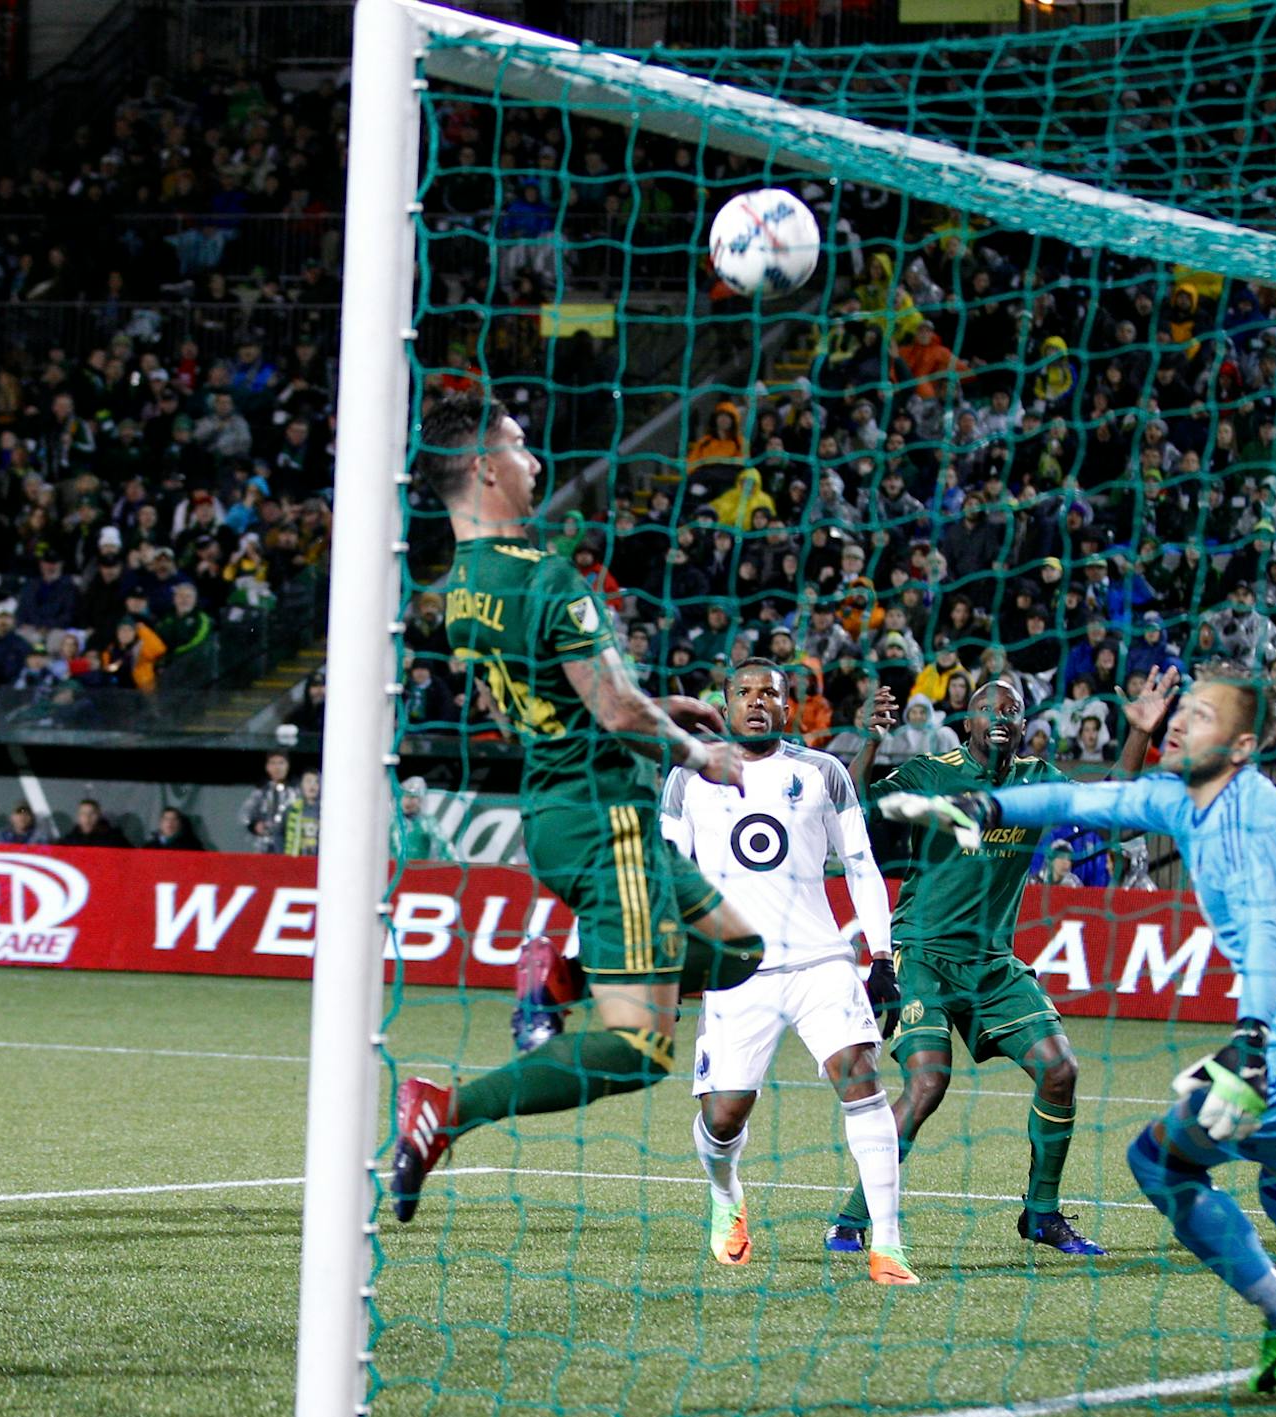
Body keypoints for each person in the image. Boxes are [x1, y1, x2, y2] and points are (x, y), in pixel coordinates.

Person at [885, 666, 1276, 1400]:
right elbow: (1078, 797)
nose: (1177, 721)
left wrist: (1253, 1041)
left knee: (1161, 1163)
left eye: (1198, 716)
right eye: (1182, 707)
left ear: (1239, 746)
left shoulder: (1253, 821)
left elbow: (1266, 932)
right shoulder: (1185, 798)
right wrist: (987, 800)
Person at [389, 392, 769, 1238]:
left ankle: (554, 977)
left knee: (742, 952)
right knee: (639, 1051)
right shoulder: (547, 576)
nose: (534, 463)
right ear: (486, 467)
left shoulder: (460, 592)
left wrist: (648, 700)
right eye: (520, 448)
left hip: (559, 812)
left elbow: (546, 696)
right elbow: (616, 712)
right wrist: (698, 752)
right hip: (612, 827)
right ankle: (445, 1110)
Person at [833, 668, 1177, 1257]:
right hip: (925, 953)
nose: (1000, 718)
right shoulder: (930, 773)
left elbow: (1113, 804)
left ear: (1024, 725)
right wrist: (865, 741)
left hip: (993, 962)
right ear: (967, 720)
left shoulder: (1036, 781)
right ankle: (852, 1218)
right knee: (928, 1082)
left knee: (1059, 1069)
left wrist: (1140, 733)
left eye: (1012, 710)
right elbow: (856, 801)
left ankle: (1041, 1215)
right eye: (988, 708)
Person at [657, 658, 910, 1282]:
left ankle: (888, 1245)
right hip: (734, 969)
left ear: (788, 706)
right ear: (723, 704)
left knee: (860, 1075)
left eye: (769, 692)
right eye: (743, 692)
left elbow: (860, 865)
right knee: (724, 1118)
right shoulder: (689, 777)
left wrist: (879, 957)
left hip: (820, 959)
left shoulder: (822, 773)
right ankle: (726, 1199)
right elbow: (665, 874)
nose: (756, 701)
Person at [240, 751, 295, 851]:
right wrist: (254, 825)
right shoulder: (260, 792)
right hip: (263, 845)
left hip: (289, 845)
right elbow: (245, 815)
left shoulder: (295, 793)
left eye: (281, 763)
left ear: (288, 765)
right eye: (273, 763)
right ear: (267, 767)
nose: (277, 767)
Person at [280, 770, 322, 856]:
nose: (312, 785)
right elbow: (279, 834)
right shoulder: (292, 810)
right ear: (301, 785)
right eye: (308, 781)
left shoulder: (327, 811)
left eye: (316, 782)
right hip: (296, 860)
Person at [58, 798, 131, 847]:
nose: (87, 818)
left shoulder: (115, 839)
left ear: (99, 815)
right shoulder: (69, 841)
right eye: (83, 814)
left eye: (92, 813)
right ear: (78, 817)